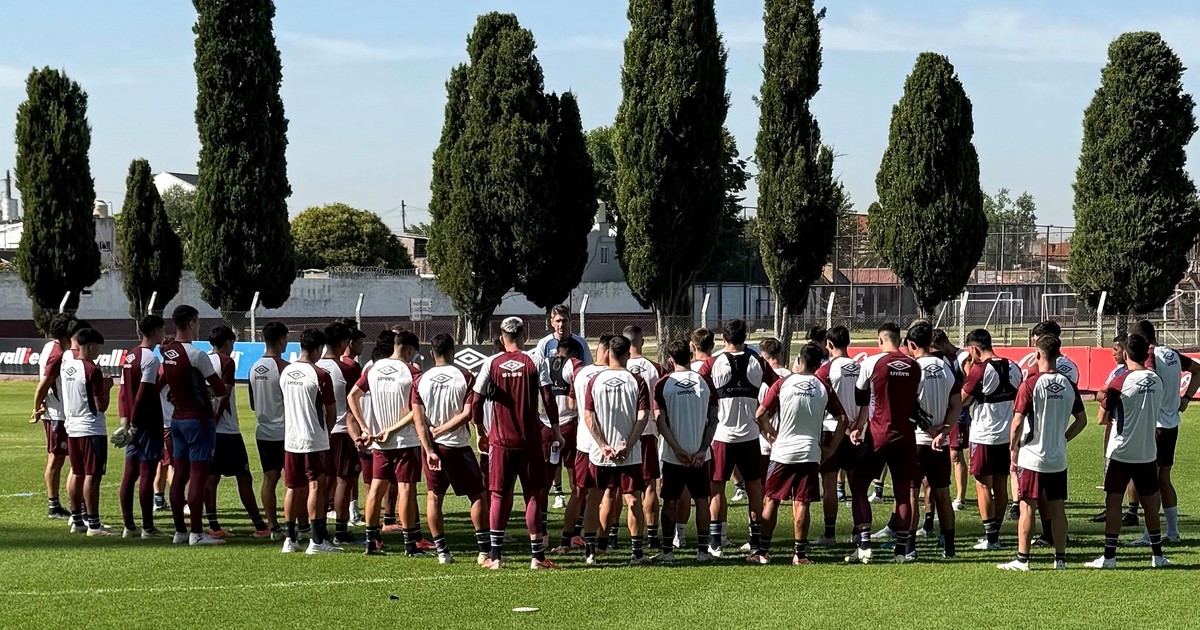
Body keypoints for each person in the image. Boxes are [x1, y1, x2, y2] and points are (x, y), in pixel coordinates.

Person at [474, 317, 561, 570]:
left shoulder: (491, 362)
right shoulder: (534, 360)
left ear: (502, 338)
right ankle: (537, 558)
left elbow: (476, 401)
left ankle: (495, 556)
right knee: (533, 494)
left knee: (499, 495)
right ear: (523, 336)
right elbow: (548, 397)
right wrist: (556, 431)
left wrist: (480, 431)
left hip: (500, 442)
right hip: (530, 440)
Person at [998, 334, 1087, 571]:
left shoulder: (1030, 384)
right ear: (1059, 354)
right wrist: (1064, 438)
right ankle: (1060, 559)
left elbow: (1017, 423)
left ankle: (1023, 560)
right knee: (1058, 509)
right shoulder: (1069, 384)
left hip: (1032, 456)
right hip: (1057, 458)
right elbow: (1082, 420)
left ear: (1037, 355)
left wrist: (1012, 447)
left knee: (1028, 507)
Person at [756, 343, 848, 565]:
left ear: (799, 360)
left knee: (771, 500)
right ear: (819, 365)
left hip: (783, 452)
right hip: (810, 452)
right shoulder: (823, 386)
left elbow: (760, 414)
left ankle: (762, 552)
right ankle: (800, 554)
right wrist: (832, 448)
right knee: (802, 502)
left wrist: (771, 433)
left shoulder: (783, 383)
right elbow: (843, 420)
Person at [698, 319, 780, 558]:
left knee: (717, 488)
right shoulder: (758, 361)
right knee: (755, 486)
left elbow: (698, 389)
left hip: (721, 435)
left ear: (724, 340)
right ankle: (755, 541)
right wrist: (765, 413)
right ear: (745, 338)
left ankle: (715, 542)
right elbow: (778, 386)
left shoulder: (712, 363)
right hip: (750, 435)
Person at [1088, 333, 1170, 569]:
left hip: (1121, 451)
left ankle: (1110, 557)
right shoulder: (1156, 379)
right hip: (1147, 450)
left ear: (1125, 353)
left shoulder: (1120, 381)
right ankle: (1157, 556)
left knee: (1113, 502)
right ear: (1147, 354)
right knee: (1150, 504)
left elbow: (1102, 418)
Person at [348, 330, 431, 557]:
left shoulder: (374, 369)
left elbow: (352, 396)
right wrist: (392, 429)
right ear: (410, 350)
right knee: (406, 489)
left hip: (379, 442)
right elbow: (416, 412)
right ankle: (409, 544)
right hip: (404, 440)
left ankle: (370, 541)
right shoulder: (412, 371)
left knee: (376, 488)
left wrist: (366, 428)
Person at [843, 323, 920, 564]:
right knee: (903, 494)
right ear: (900, 340)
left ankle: (864, 544)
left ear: (879, 340)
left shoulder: (871, 363)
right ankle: (900, 550)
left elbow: (860, 397)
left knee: (858, 486)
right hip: (906, 437)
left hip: (878, 435)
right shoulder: (915, 366)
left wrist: (857, 427)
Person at [411, 333, 488, 565]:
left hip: (433, 448)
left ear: (432, 353)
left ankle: (443, 552)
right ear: (453, 352)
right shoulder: (465, 376)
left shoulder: (420, 380)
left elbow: (418, 420)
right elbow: (468, 414)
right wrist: (445, 429)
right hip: (458, 446)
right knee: (477, 495)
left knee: (434, 497)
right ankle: (483, 550)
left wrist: (429, 448)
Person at [160, 305, 228, 546]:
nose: (198, 327)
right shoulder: (196, 355)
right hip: (198, 420)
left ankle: (180, 530)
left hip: (177, 420)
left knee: (179, 475)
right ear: (190, 323)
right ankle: (197, 533)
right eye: (197, 322)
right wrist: (205, 391)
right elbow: (219, 389)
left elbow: (163, 384)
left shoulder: (167, 352)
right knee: (198, 477)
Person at [582, 335, 652, 565]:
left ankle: (590, 551)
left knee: (594, 499)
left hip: (600, 454)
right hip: (628, 454)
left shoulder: (595, 380)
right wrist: (628, 444)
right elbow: (643, 416)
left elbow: (588, 416)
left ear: (608, 353)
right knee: (633, 501)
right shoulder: (637, 380)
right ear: (627, 354)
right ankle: (637, 553)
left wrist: (603, 445)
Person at [1129, 320, 1200, 545]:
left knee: (1149, 482)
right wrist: (1185, 398)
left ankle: (1151, 533)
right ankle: (1172, 530)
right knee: (1163, 479)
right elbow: (1197, 370)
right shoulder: (1171, 354)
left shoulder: (1149, 356)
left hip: (1154, 424)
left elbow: (1148, 379)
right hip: (1171, 423)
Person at [654, 340, 719, 563]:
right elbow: (713, 420)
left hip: (673, 456)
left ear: (670, 359)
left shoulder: (663, 385)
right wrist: (702, 449)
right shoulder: (705, 383)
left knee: (670, 502)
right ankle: (702, 551)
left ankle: (667, 552)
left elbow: (660, 423)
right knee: (702, 500)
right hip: (700, 456)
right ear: (691, 356)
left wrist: (677, 449)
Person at [205, 326, 270, 539]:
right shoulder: (226, 362)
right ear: (226, 343)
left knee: (211, 478)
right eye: (232, 343)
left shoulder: (203, 360)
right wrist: (215, 421)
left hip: (208, 428)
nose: (232, 348)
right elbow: (224, 394)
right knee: (243, 476)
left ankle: (214, 526)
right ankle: (260, 525)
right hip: (227, 431)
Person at [280, 329, 340, 555]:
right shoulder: (320, 374)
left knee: (292, 487)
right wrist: (325, 432)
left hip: (291, 438)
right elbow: (331, 412)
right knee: (316, 485)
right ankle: (316, 540)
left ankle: (289, 539)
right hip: (313, 439)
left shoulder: (287, 372)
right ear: (318, 349)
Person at [961, 328, 1022, 551]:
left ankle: (991, 537)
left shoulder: (979, 369)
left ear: (975, 349)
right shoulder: (1014, 367)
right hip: (1007, 435)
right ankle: (995, 533)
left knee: (982, 485)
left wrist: (967, 373)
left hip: (984, 435)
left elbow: (963, 400)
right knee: (1001, 484)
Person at [905, 323, 962, 559]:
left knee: (911, 492)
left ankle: (909, 548)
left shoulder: (913, 368)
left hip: (917, 440)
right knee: (943, 495)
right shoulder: (946, 366)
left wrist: (929, 430)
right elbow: (956, 404)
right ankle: (949, 547)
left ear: (911, 345)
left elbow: (910, 406)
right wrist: (944, 431)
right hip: (941, 443)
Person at [316, 321, 367, 545]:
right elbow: (355, 400)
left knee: (322, 481)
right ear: (344, 343)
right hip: (340, 429)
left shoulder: (315, 365)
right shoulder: (346, 368)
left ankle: (318, 528)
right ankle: (340, 531)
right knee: (344, 480)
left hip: (319, 431)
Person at [116, 315, 167, 539]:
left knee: (129, 474)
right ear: (156, 332)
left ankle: (129, 526)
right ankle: (147, 527)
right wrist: (135, 426)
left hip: (134, 424)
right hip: (147, 424)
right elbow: (142, 395)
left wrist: (124, 422)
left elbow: (122, 392)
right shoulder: (150, 359)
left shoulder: (130, 355)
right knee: (146, 473)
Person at [62, 328, 114, 537]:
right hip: (91, 428)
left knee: (77, 471)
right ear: (91, 346)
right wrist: (108, 386)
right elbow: (101, 405)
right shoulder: (92, 370)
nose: (100, 352)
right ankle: (94, 524)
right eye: (99, 348)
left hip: (72, 427)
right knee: (93, 475)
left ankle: (77, 520)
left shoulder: (67, 367)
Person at [814, 326, 861, 546]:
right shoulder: (860, 367)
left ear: (829, 345)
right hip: (855, 432)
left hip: (831, 429)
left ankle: (830, 534)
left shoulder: (826, 370)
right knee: (857, 484)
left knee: (830, 484)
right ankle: (858, 531)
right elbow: (866, 402)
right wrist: (858, 425)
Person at [569, 335, 614, 555]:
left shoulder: (581, 373)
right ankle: (602, 543)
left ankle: (565, 541)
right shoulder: (610, 375)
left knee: (578, 492)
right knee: (604, 494)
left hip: (582, 440)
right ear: (607, 351)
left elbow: (572, 403)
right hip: (603, 443)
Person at [623, 324, 665, 551]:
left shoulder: (620, 366)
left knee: (627, 489)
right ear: (641, 341)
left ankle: (617, 536)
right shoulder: (654, 367)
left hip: (625, 432)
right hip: (648, 431)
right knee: (649, 485)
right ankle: (652, 535)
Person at [31, 313, 76, 520]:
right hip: (58, 414)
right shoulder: (57, 354)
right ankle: (54, 506)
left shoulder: (51, 346)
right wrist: (36, 407)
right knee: (56, 459)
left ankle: (58, 504)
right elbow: (44, 383)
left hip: (57, 412)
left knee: (57, 459)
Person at [248, 321, 290, 539]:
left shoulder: (253, 367)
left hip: (263, 431)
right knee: (293, 481)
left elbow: (253, 403)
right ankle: (296, 525)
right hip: (285, 433)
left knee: (269, 479)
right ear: (281, 339)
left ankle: (273, 527)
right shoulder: (284, 367)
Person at [545, 337, 586, 555]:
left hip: (546, 426)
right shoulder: (575, 366)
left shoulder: (544, 363)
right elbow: (572, 402)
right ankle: (576, 532)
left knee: (542, 482)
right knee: (577, 484)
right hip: (568, 426)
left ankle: (541, 533)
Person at [932, 329, 971, 511]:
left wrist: (955, 401)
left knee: (956, 454)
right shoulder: (940, 359)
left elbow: (969, 383)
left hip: (959, 411)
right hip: (942, 409)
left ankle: (960, 497)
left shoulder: (963, 357)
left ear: (944, 342)